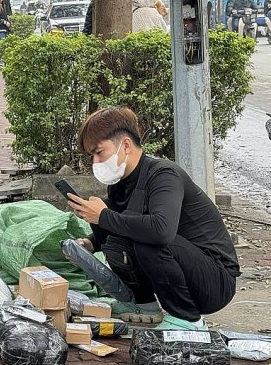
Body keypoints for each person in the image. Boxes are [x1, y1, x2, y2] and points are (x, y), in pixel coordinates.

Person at [65, 107, 240, 331]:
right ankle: (143, 303)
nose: (96, 161)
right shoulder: (119, 184)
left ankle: (187, 319)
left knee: (139, 233)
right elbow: (122, 226)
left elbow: (162, 230)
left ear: (125, 145)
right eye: (92, 156)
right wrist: (91, 242)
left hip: (216, 280)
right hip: (183, 264)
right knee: (107, 219)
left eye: (99, 152)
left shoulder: (164, 174)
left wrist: (104, 216)